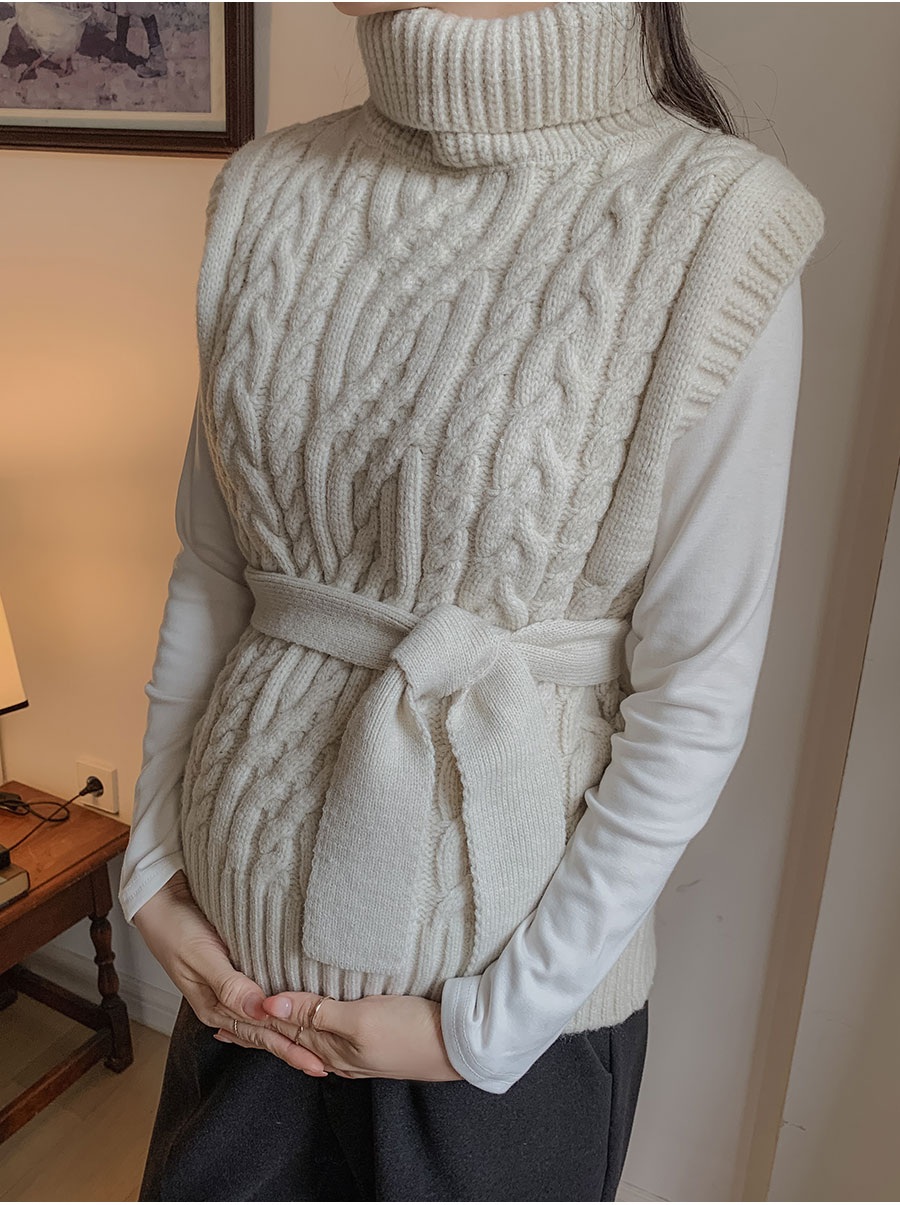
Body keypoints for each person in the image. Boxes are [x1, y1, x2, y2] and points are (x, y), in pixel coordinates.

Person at [118, 2, 825, 1199]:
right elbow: (217, 570)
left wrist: (483, 1029)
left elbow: (692, 696)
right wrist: (148, 869)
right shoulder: (266, 190)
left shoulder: (717, 224)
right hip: (239, 990)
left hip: (500, 1046)